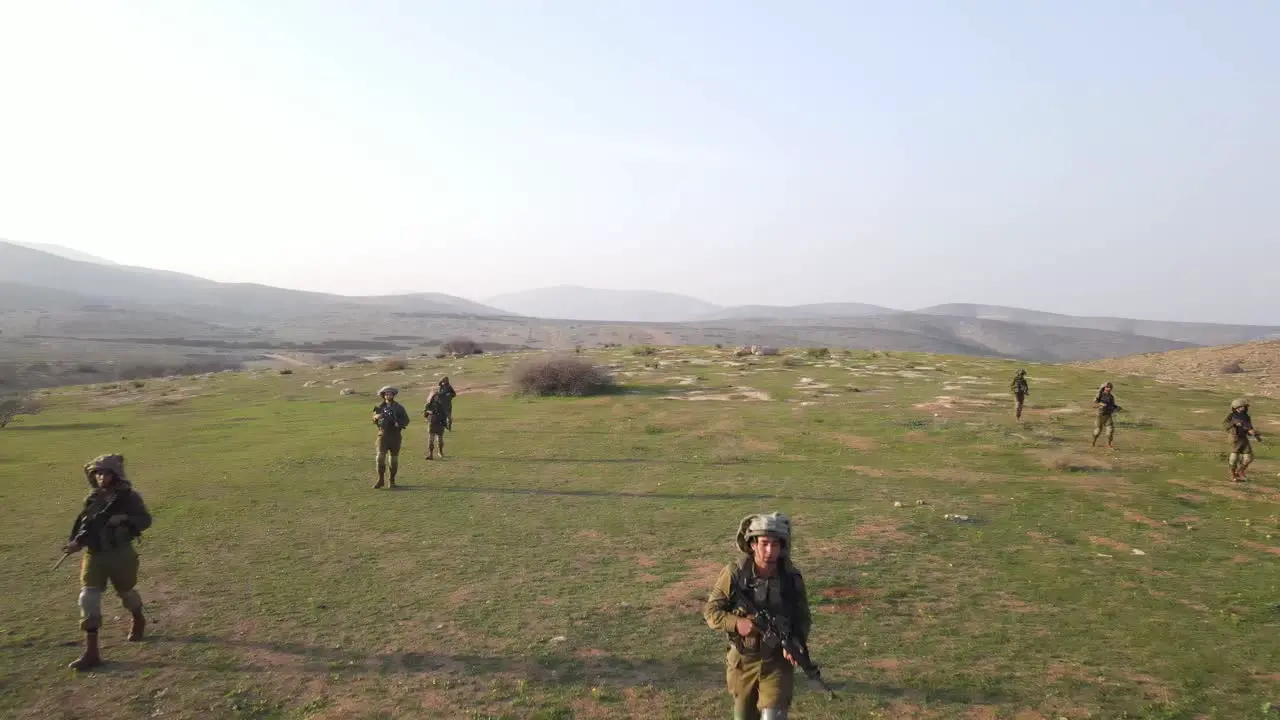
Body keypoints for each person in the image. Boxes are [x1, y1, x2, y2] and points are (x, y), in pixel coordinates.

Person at [704, 512, 813, 720]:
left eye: (775, 544)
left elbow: (803, 617)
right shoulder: (735, 573)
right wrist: (737, 623)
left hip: (778, 663)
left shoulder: (791, 578)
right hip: (743, 661)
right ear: (752, 544)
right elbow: (711, 612)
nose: (770, 551)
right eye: (764, 543)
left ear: (782, 546)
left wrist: (797, 642)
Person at [63, 453, 153, 671]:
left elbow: (145, 520)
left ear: (116, 475)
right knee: (88, 597)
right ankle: (92, 652)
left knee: (126, 593)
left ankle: (138, 618)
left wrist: (123, 519)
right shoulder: (92, 500)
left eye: (105, 473)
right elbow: (83, 528)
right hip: (95, 555)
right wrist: (75, 543)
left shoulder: (129, 498)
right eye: (97, 473)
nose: (101, 477)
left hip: (120, 554)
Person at [371, 386, 410, 488]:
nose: (388, 396)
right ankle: (380, 480)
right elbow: (374, 420)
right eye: (386, 394)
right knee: (380, 457)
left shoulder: (399, 407)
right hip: (383, 435)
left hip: (395, 436)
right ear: (384, 396)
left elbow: (406, 420)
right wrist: (375, 418)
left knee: (393, 460)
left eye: (390, 394)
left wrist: (400, 424)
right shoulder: (379, 407)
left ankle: (392, 480)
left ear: (393, 395)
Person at [1224, 398, 1263, 482]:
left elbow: (1249, 427)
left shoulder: (1246, 416)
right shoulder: (1231, 416)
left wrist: (1254, 434)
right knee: (1234, 458)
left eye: (1244, 407)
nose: (1243, 408)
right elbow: (1225, 425)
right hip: (1234, 438)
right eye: (1240, 407)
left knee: (1249, 457)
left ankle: (1240, 471)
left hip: (1243, 438)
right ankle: (1233, 475)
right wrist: (1234, 423)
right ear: (1235, 407)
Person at [423, 377, 457, 460]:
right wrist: (428, 413)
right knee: (431, 439)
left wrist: (447, 419)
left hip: (440, 421)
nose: (436, 398)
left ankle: (440, 452)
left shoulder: (444, 403)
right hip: (432, 422)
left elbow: (452, 395)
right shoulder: (429, 404)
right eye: (435, 397)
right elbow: (425, 412)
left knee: (440, 439)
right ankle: (430, 454)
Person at [1092, 382, 1121, 448]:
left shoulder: (1111, 396)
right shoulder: (1100, 395)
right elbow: (1094, 405)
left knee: (1109, 431)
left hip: (1107, 415)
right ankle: (1093, 442)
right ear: (1105, 388)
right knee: (1098, 431)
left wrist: (1116, 407)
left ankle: (1108, 444)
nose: (1109, 389)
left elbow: (1112, 405)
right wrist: (1101, 404)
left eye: (1110, 387)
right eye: (1108, 387)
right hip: (1100, 415)